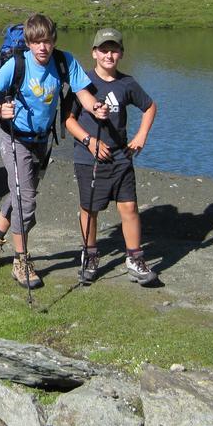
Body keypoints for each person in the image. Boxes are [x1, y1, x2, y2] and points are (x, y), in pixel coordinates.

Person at [0, 13, 108, 289]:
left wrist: (94, 106)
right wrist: (0, 109)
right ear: (28, 43)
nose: (42, 48)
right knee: (26, 201)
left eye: (46, 41)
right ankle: (21, 261)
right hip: (14, 138)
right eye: (36, 42)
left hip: (42, 141)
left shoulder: (64, 60)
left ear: (53, 40)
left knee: (22, 194)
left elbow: (82, 90)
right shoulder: (16, 64)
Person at [64, 28, 158, 284]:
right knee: (90, 209)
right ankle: (91, 256)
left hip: (121, 158)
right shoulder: (81, 82)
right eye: (103, 50)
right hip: (88, 158)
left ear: (122, 54)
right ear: (94, 53)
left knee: (129, 207)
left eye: (114, 50)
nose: (109, 55)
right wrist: (90, 141)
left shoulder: (127, 84)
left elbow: (150, 107)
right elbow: (68, 120)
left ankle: (135, 258)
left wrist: (140, 137)